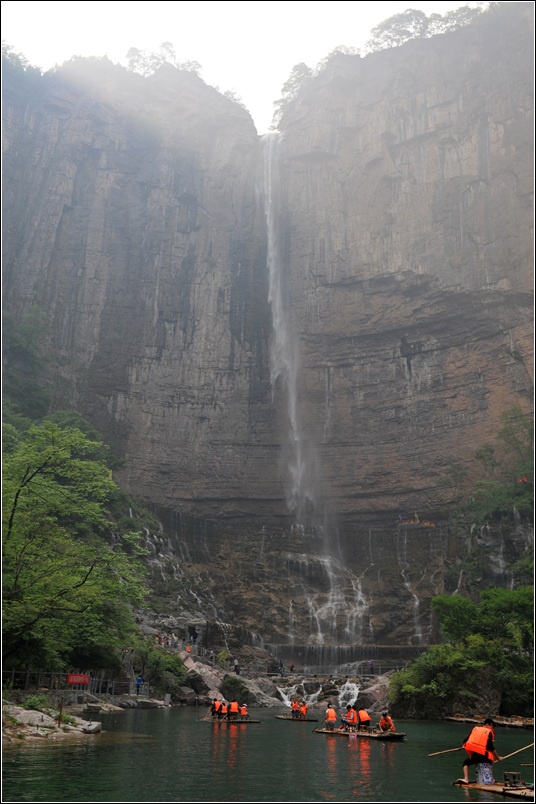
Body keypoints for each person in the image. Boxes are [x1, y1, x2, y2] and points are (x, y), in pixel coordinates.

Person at [457, 718, 503, 785]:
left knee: (466, 762)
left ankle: (466, 779)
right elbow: (490, 747)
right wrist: (498, 757)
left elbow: (466, 740)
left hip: (475, 756)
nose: (492, 730)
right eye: (492, 727)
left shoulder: (475, 729)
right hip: (484, 757)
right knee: (490, 761)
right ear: (487, 724)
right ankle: (491, 779)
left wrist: (464, 746)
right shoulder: (488, 732)